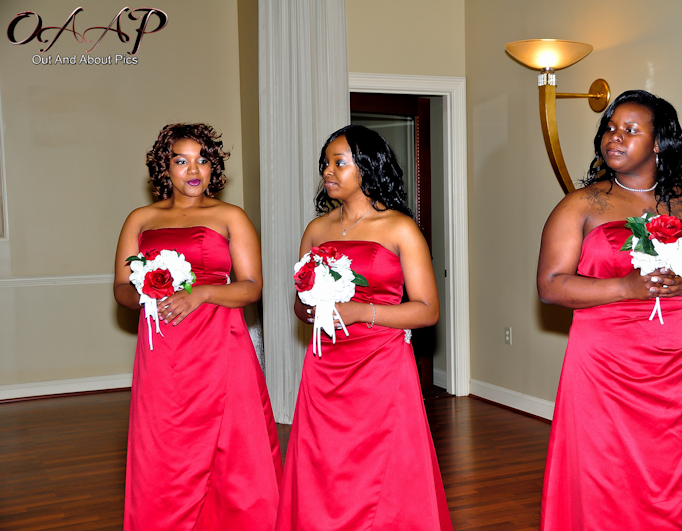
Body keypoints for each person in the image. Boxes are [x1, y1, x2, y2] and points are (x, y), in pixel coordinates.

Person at [537, 91, 682, 530]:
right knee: (608, 471)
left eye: (630, 130)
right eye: (610, 129)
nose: (614, 137)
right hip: (607, 366)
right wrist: (625, 287)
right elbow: (550, 286)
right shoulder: (580, 206)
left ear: (659, 143)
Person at [275, 125, 453, 531]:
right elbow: (298, 306)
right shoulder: (316, 230)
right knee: (325, 464)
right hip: (325, 366)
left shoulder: (399, 228)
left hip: (380, 367)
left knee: (381, 466)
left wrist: (360, 312)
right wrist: (312, 308)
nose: (328, 171)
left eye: (339, 163)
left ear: (368, 168)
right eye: (325, 163)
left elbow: (427, 310)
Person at [114, 123, 282, 530]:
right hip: (163, 348)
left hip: (221, 344)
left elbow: (252, 287)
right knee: (166, 444)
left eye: (202, 160)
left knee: (234, 446)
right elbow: (120, 289)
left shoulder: (230, 216)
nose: (193, 170)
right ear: (164, 168)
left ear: (213, 167)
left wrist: (202, 293)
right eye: (181, 160)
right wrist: (147, 295)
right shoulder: (140, 219)